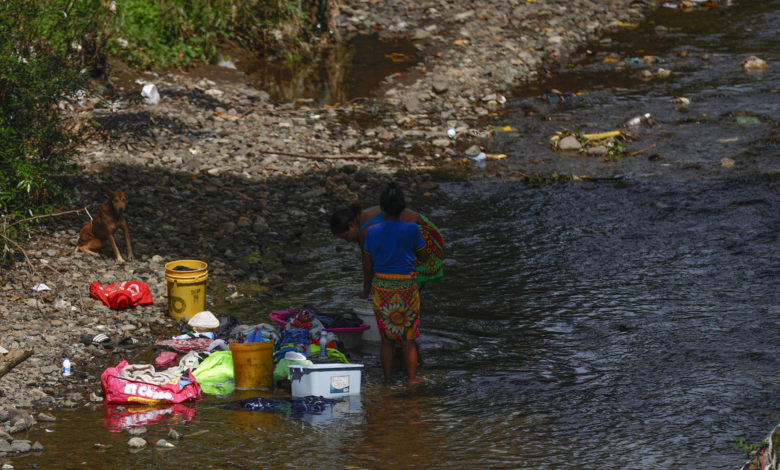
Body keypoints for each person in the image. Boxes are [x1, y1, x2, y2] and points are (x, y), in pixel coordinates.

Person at [360, 182, 429, 383]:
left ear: (382, 207)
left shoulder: (371, 232)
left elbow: (367, 266)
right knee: (408, 339)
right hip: (406, 286)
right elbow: (424, 256)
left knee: (386, 340)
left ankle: (388, 380)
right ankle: (412, 381)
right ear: (402, 207)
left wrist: (366, 290)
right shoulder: (412, 229)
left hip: (382, 287)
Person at [330, 195, 444, 299]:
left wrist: (366, 292)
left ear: (351, 225)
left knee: (407, 288)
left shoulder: (365, 231)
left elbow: (368, 267)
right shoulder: (363, 216)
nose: (348, 241)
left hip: (425, 238)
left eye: (345, 236)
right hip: (429, 230)